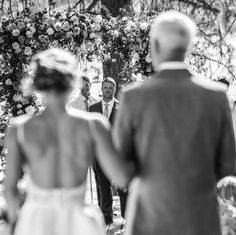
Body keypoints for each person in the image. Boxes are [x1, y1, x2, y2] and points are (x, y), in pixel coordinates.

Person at [113, 11, 236, 235]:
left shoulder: (133, 97)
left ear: (155, 46)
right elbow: (229, 166)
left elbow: (121, 173)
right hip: (200, 217)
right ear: (188, 48)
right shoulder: (216, 96)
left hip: (149, 218)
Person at [4, 48, 131, 235]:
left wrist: (16, 219)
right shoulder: (93, 124)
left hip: (35, 221)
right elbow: (120, 177)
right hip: (78, 221)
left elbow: (10, 191)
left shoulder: (19, 128)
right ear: (72, 83)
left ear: (38, 84)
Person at [90, 77, 128, 225]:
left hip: (118, 154)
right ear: (101, 89)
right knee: (103, 187)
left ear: (114, 89)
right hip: (98, 153)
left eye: (110, 88)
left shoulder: (122, 107)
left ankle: (126, 215)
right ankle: (106, 218)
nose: (108, 90)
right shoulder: (93, 108)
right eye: (105, 87)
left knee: (122, 186)